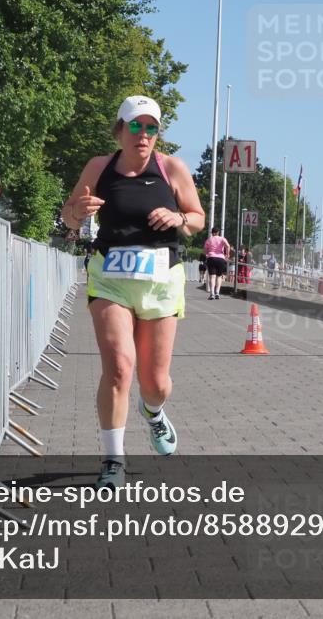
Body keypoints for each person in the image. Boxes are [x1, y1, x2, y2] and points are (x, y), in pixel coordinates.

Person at [60, 95, 205, 491]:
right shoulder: (99, 166)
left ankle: (154, 412)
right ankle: (113, 460)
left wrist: (178, 217)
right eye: (136, 126)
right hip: (110, 278)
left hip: (161, 281)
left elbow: (197, 217)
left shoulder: (171, 167)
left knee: (154, 381)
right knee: (120, 367)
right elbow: (69, 213)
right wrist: (78, 211)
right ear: (120, 130)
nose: (144, 135)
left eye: (152, 127)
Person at [203, 226, 231, 300]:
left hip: (211, 258)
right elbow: (228, 246)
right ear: (218, 232)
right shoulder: (222, 239)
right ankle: (217, 293)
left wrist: (207, 254)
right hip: (221, 258)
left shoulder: (209, 239)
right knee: (219, 276)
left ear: (212, 233)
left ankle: (212, 293)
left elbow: (205, 249)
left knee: (212, 276)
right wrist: (227, 255)